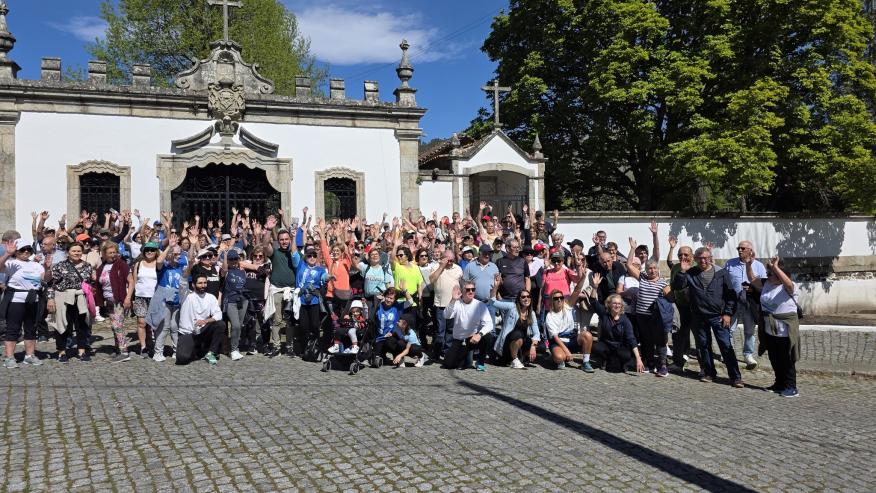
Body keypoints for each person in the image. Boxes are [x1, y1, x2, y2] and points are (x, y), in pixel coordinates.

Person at [673, 247, 743, 388]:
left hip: (718, 316)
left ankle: (735, 377)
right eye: (700, 259)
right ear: (696, 259)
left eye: (705, 258)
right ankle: (709, 373)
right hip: (699, 316)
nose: (703, 261)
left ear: (710, 258)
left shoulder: (721, 273)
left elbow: (730, 295)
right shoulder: (691, 273)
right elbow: (678, 286)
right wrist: (682, 272)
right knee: (703, 346)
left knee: (725, 346)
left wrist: (728, 313)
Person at [749, 255, 800, 397]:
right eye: (768, 273)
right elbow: (752, 279)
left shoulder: (789, 286)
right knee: (774, 358)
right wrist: (748, 265)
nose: (768, 275)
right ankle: (779, 383)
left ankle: (791, 386)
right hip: (769, 329)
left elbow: (788, 284)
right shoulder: (767, 284)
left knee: (786, 359)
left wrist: (775, 267)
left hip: (784, 330)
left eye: (771, 273)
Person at [0, 238, 50, 368]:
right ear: (16, 251)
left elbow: (45, 278)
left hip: (33, 299)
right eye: (22, 249)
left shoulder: (36, 265)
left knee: (31, 328)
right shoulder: (11, 263)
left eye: (29, 249)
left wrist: (47, 268)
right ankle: (9, 357)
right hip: (16, 300)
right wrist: (7, 254)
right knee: (13, 329)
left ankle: (29, 355)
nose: (26, 251)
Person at [47, 241, 94, 362]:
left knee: (82, 325)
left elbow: (89, 282)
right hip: (63, 298)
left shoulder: (87, 266)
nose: (76, 253)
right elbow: (51, 284)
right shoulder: (59, 266)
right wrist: (50, 299)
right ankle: (61, 352)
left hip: (80, 298)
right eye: (73, 251)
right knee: (62, 325)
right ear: (68, 252)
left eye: (79, 251)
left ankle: (82, 351)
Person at [587, 273, 645, 373]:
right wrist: (595, 287)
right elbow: (593, 301)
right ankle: (605, 359)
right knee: (595, 347)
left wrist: (638, 359)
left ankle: (622, 363)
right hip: (606, 345)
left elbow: (631, 339)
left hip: (620, 346)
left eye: (619, 304)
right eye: (614, 303)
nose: (617, 306)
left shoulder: (625, 320)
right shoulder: (604, 313)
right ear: (609, 304)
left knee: (626, 355)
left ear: (621, 306)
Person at [625, 255, 671, 376]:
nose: (652, 270)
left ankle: (663, 366)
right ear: (646, 269)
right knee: (646, 341)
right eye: (650, 268)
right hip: (641, 316)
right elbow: (628, 265)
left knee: (660, 341)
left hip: (656, 317)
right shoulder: (642, 278)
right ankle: (650, 364)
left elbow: (671, 298)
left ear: (658, 269)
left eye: (654, 268)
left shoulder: (662, 283)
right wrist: (632, 249)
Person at [261, 219, 300, 357]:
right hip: (277, 290)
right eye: (281, 239)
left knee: (290, 321)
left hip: (291, 291)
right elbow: (265, 245)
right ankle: (276, 346)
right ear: (278, 241)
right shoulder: (275, 253)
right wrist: (268, 230)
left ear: (290, 240)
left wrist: (294, 237)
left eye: (286, 239)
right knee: (276, 321)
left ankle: (289, 346)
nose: (284, 241)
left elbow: (295, 258)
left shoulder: (295, 253)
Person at [725, 240, 766, 369]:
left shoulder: (759, 266)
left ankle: (748, 355)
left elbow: (764, 285)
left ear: (750, 250)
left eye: (743, 248)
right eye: (738, 248)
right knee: (728, 329)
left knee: (749, 331)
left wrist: (753, 288)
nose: (740, 250)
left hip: (750, 302)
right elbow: (724, 281)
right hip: (733, 301)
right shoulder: (730, 263)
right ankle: (728, 353)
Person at [544, 264, 593, 371]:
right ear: (552, 301)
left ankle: (586, 362)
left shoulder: (568, 306)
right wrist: (566, 351)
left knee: (587, 335)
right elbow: (555, 338)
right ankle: (555, 357)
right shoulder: (549, 316)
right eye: (556, 298)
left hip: (572, 338)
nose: (559, 300)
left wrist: (583, 277)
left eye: (561, 298)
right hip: (558, 341)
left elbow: (577, 290)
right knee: (560, 358)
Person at [441, 281, 495, 371]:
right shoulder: (456, 303)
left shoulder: (480, 305)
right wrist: (453, 300)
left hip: (473, 338)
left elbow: (489, 324)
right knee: (449, 364)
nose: (471, 292)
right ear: (462, 291)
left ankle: (480, 362)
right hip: (459, 340)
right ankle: (467, 357)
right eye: (468, 290)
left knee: (487, 336)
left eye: (473, 289)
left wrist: (479, 334)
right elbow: (446, 315)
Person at [148, 238, 186, 362]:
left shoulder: (181, 266)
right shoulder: (164, 266)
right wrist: (169, 247)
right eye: (175, 254)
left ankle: (176, 350)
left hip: (176, 301)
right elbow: (159, 260)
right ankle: (158, 352)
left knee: (175, 327)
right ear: (169, 254)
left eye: (179, 253)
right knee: (164, 326)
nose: (178, 256)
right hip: (164, 300)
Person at [94, 240, 132, 362]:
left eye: (114, 252)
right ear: (104, 254)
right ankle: (118, 349)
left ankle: (124, 352)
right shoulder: (102, 267)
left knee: (118, 325)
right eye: (110, 253)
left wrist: (128, 298)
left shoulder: (121, 265)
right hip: (109, 301)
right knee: (114, 326)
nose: (113, 255)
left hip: (119, 300)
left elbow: (131, 281)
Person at [176, 274, 226, 365]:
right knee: (182, 359)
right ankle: (196, 349)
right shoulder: (186, 296)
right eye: (200, 283)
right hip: (188, 332)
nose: (203, 285)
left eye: (205, 283)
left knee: (220, 324)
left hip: (203, 331)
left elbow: (218, 314)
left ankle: (211, 353)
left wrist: (205, 321)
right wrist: (189, 266)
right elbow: (183, 281)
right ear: (193, 285)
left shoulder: (211, 297)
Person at [491, 275, 539, 369]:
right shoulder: (512, 307)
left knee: (540, 346)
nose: (526, 299)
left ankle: (521, 357)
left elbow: (536, 333)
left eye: (528, 296)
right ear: (519, 299)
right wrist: (496, 287)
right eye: (523, 297)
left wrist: (533, 346)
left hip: (521, 343)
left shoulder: (531, 313)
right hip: (508, 342)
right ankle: (514, 360)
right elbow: (493, 302)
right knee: (518, 334)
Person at [125, 241, 160, 358]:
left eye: (152, 250)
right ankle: (143, 347)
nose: (149, 252)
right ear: (143, 252)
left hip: (155, 297)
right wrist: (131, 297)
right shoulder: (138, 264)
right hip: (140, 297)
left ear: (156, 252)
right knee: (141, 323)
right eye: (147, 250)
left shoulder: (158, 264)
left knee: (155, 324)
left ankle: (156, 346)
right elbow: (134, 282)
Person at [430, 250, 464, 359]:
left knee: (451, 330)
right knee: (440, 331)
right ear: (442, 258)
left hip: (454, 305)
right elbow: (432, 280)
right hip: (440, 305)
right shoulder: (436, 266)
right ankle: (437, 352)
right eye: (447, 260)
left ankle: (447, 351)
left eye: (452, 260)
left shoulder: (458, 268)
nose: (449, 262)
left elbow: (461, 283)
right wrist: (441, 266)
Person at [666, 238, 694, 371]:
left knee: (699, 337)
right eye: (680, 255)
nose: (683, 257)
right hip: (679, 305)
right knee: (678, 333)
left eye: (686, 255)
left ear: (692, 256)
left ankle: (705, 367)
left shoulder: (696, 267)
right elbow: (674, 285)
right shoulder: (676, 267)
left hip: (694, 307)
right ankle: (678, 362)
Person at [296, 246, 329, 353]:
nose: (312, 258)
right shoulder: (301, 265)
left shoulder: (320, 269)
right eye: (309, 256)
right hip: (301, 299)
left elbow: (324, 276)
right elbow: (294, 254)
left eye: (314, 256)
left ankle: (315, 346)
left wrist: (329, 277)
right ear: (305, 257)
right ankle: (304, 348)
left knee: (315, 325)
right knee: (303, 326)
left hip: (314, 299)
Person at [373, 286, 414, 364]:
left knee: (393, 343)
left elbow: (410, 302)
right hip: (379, 338)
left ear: (395, 300)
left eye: (391, 298)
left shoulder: (397, 307)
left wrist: (405, 290)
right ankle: (383, 355)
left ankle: (398, 355)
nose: (388, 300)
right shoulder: (379, 306)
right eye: (387, 297)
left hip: (391, 337)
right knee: (375, 361)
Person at [220, 249, 248, 361]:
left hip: (242, 300)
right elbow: (224, 270)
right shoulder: (225, 271)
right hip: (230, 301)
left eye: (235, 259)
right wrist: (225, 255)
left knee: (239, 326)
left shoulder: (242, 271)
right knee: (235, 325)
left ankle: (235, 347)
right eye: (230, 259)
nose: (233, 261)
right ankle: (233, 350)